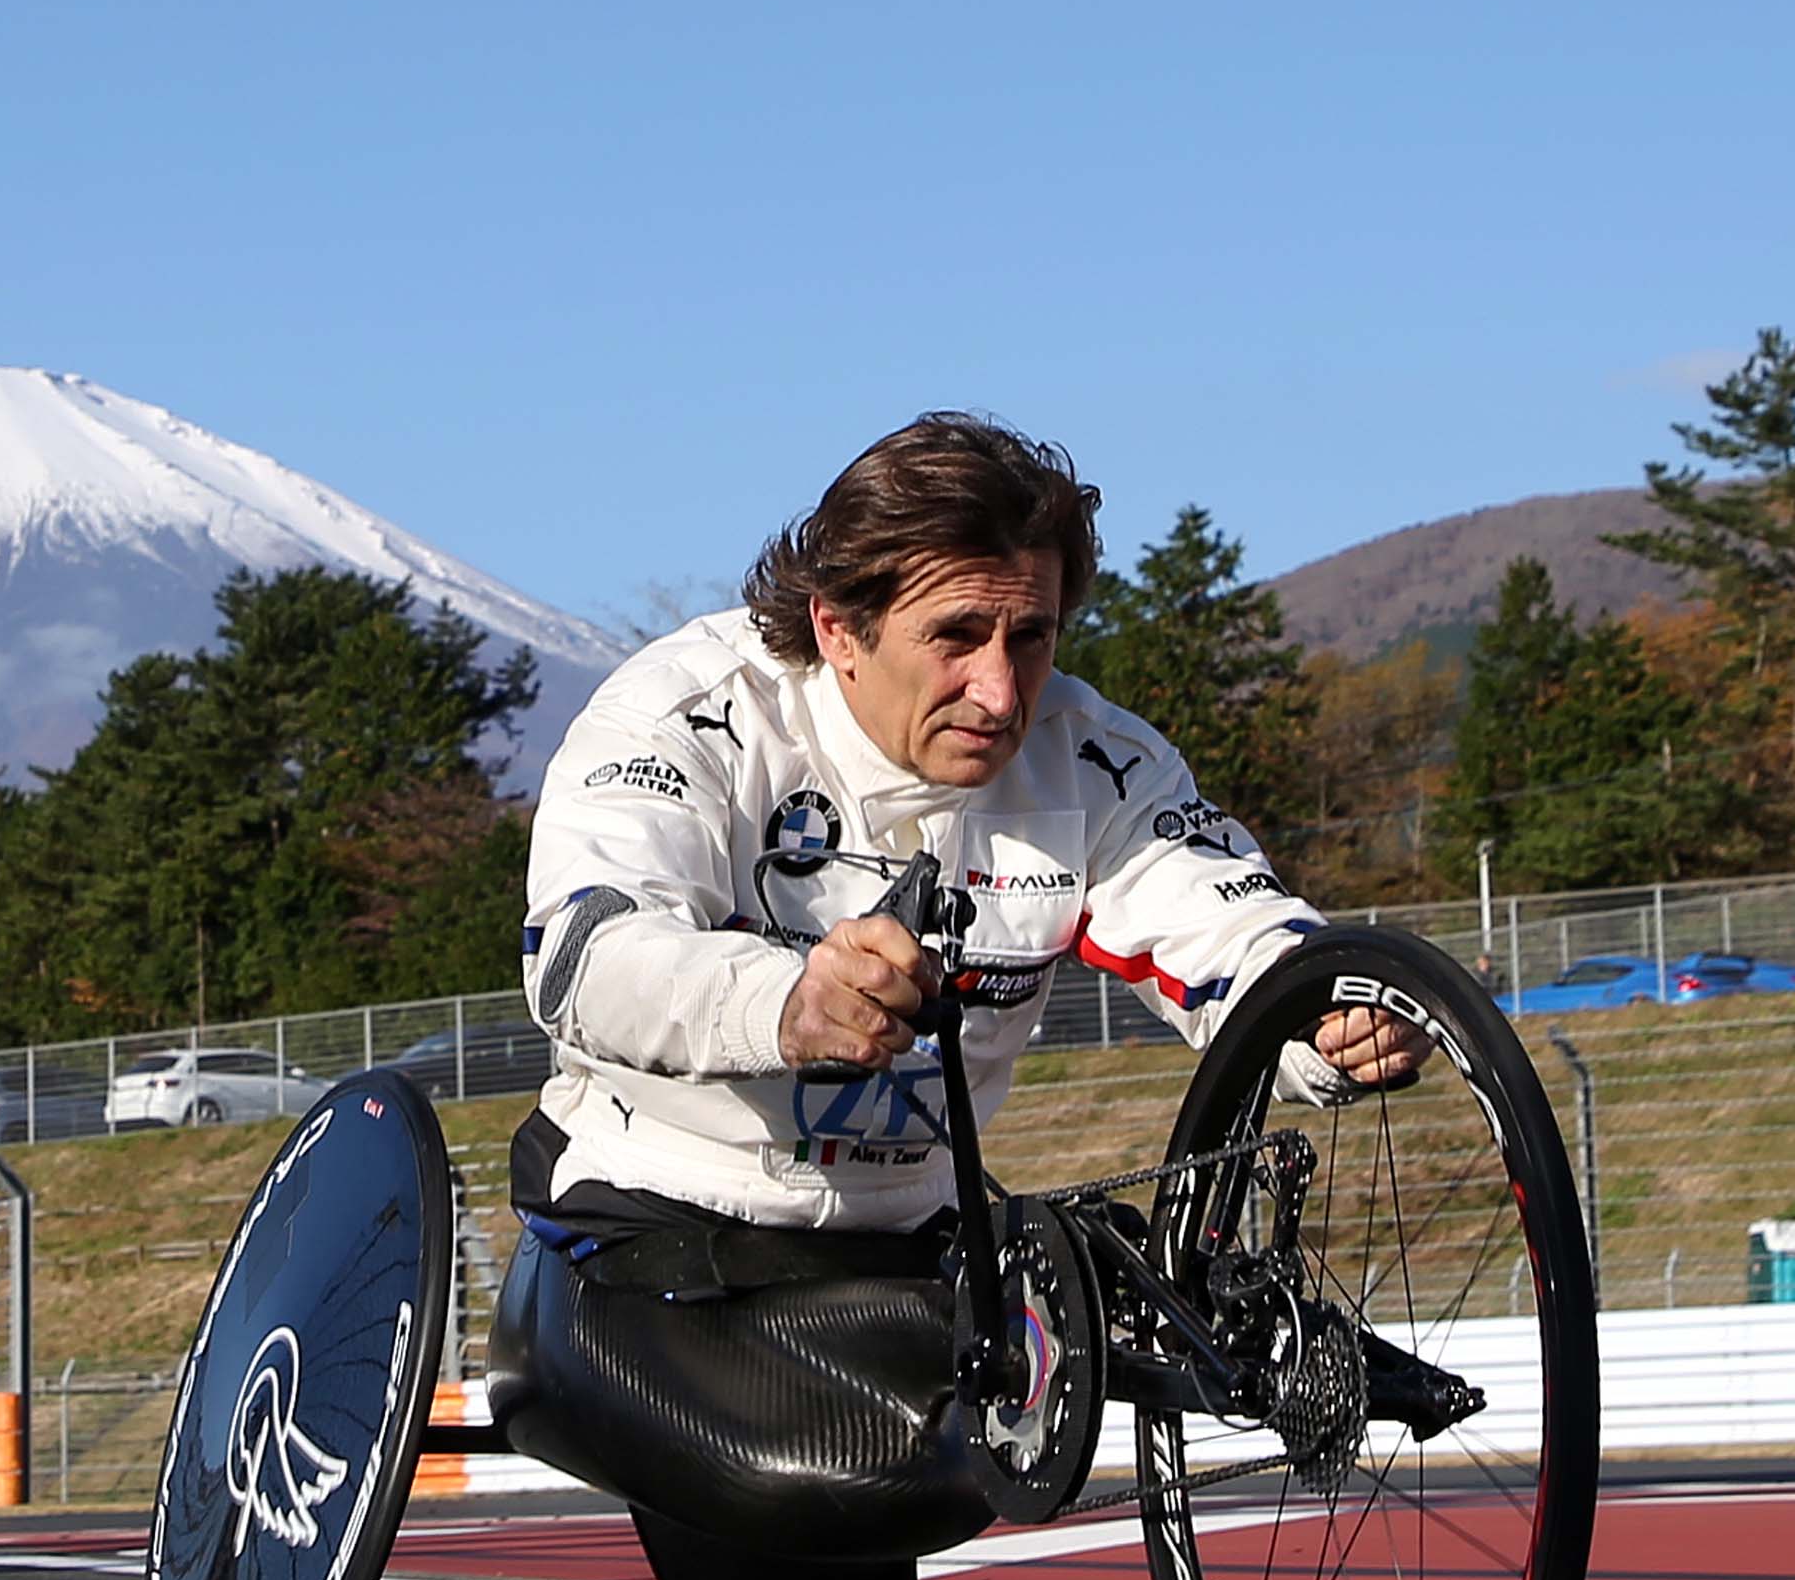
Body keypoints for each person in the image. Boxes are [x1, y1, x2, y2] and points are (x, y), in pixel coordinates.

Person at [509, 410, 1422, 1280]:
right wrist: (783, 1004)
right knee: (859, 1439)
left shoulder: (1091, 759)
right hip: (654, 1207)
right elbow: (581, 958)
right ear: (838, 628)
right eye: (954, 636)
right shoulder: (684, 715)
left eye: (1031, 637)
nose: (998, 692)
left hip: (921, 1234)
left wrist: (1326, 1018)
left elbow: (1228, 929)